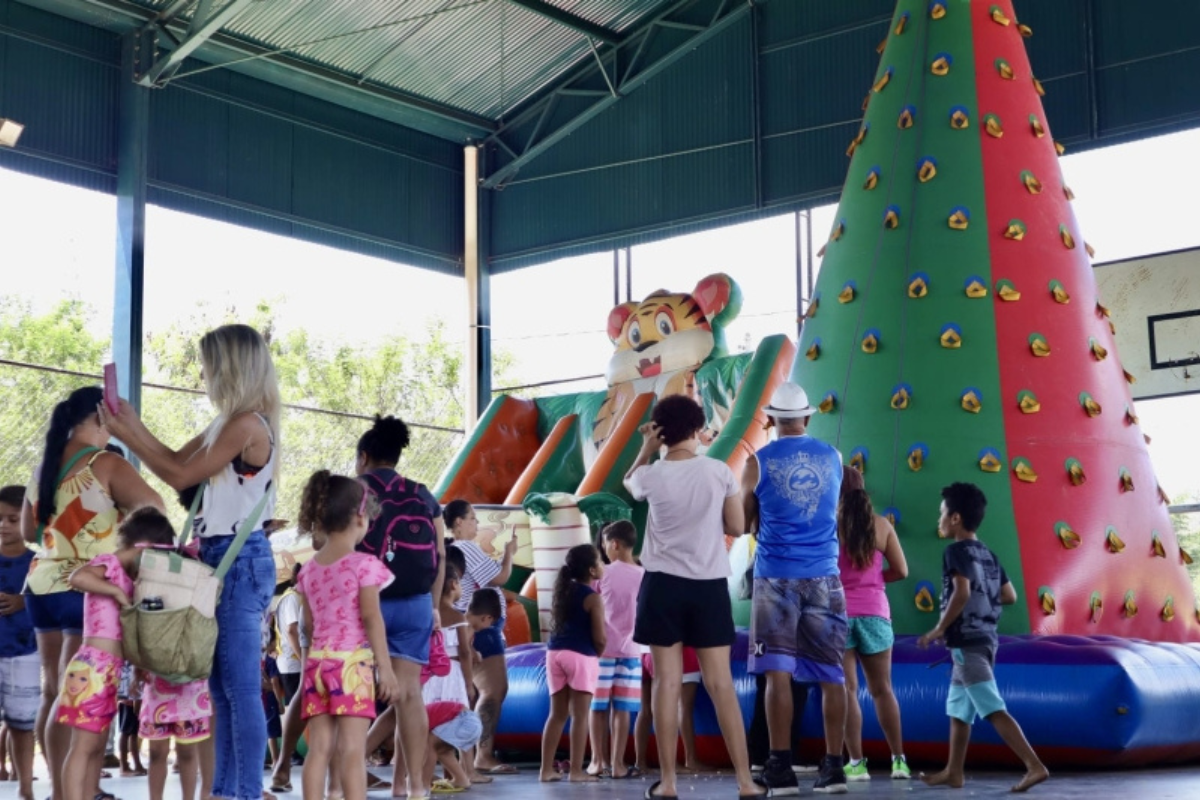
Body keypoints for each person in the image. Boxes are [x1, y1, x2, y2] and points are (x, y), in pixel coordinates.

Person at [101, 324, 280, 800]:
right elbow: (176, 460)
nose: (202, 373)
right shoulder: (230, 423)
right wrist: (130, 424)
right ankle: (225, 790)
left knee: (239, 690)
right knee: (221, 690)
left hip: (238, 561)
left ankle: (243, 791)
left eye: (208, 364)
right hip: (222, 559)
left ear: (228, 368)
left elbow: (177, 473)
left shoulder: (247, 424)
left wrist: (125, 432)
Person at [21, 387, 163, 800]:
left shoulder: (44, 465)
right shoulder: (105, 461)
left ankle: (61, 790)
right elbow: (153, 511)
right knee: (81, 695)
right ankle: (75, 791)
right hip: (87, 587)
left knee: (55, 693)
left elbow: (31, 532)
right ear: (104, 417)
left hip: (42, 586)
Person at [624, 394, 764, 800]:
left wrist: (646, 448)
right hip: (707, 585)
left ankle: (668, 782)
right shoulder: (718, 471)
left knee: (667, 684)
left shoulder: (651, 473)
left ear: (660, 431)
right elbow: (737, 527)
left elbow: (631, 483)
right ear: (699, 429)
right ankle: (745, 781)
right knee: (721, 684)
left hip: (662, 585)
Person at [742, 382, 847, 794]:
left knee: (777, 674)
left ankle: (780, 768)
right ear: (806, 417)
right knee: (831, 674)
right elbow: (830, 509)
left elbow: (746, 519)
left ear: (771, 419)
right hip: (825, 575)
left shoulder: (757, 463)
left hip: (775, 578)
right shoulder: (834, 458)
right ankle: (835, 766)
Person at [917, 483, 1049, 793]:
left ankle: (1034, 765)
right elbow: (1009, 595)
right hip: (987, 640)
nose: (938, 520)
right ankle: (954, 771)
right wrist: (981, 602)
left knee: (991, 707)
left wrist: (939, 627)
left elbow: (961, 592)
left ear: (955, 518)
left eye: (941, 514)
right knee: (959, 708)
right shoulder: (988, 554)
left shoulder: (955, 551)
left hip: (967, 643)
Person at [353, 415, 445, 800]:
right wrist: (435, 605)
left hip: (363, 603)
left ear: (364, 457)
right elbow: (440, 552)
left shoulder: (352, 491)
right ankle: (417, 787)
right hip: (415, 603)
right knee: (409, 694)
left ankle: (348, 780)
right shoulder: (423, 494)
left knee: (355, 694)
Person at [58, 507, 177, 800]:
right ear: (144, 548)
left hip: (110, 671)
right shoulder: (108, 565)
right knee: (83, 747)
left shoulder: (129, 579)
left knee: (97, 746)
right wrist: (116, 593)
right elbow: (77, 577)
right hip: (91, 668)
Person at [295, 471, 398, 800]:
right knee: (353, 751)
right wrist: (385, 667)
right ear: (360, 516)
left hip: (318, 664)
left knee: (319, 749)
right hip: (352, 664)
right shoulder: (364, 564)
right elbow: (371, 616)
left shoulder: (309, 569)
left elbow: (308, 626)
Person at [837, 466, 910, 781]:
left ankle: (856, 763)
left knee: (847, 691)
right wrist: (875, 580)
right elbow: (902, 571)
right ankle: (898, 761)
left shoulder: (827, 527)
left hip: (837, 615)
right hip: (875, 614)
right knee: (883, 690)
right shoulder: (881, 526)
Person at [444, 503, 517, 775]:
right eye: (473, 519)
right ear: (459, 523)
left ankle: (473, 754)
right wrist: (508, 554)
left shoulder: (456, 550)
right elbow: (499, 576)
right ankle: (483, 755)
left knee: (475, 694)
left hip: (476, 625)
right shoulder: (467, 548)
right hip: (482, 625)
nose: (476, 525)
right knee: (493, 689)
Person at [540, 543, 605, 783]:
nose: (602, 566)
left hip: (554, 653)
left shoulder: (563, 591)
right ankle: (576, 771)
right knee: (579, 715)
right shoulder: (593, 597)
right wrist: (598, 653)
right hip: (581, 655)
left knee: (556, 715)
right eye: (599, 562)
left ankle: (545, 769)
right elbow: (599, 637)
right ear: (591, 570)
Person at [588, 520, 644, 780]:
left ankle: (597, 762)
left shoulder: (603, 573)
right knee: (622, 709)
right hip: (633, 650)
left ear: (614, 544)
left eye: (604, 545)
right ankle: (618, 764)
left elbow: (588, 604)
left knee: (597, 707)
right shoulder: (646, 576)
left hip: (600, 649)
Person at [0, 485, 37, 800]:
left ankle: (26, 788)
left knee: (22, 724)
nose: (4, 525)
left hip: (25, 653)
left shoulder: (38, 563)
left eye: (13, 519)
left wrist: (23, 601)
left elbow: (48, 602)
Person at [115, 663, 145, 777]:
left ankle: (137, 764)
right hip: (130, 693)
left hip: (133, 691)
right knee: (126, 731)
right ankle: (124, 765)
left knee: (134, 732)